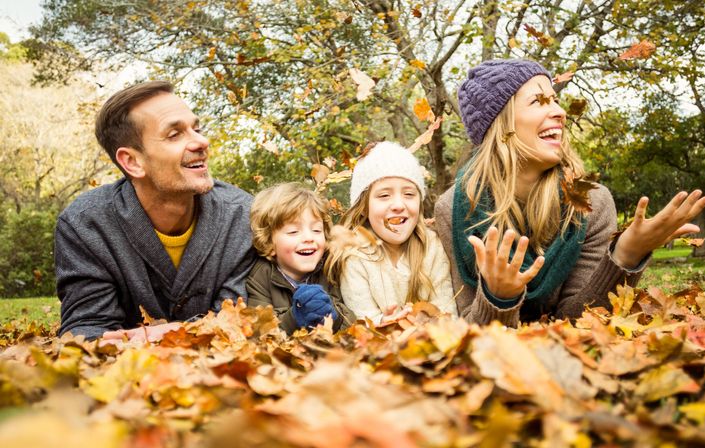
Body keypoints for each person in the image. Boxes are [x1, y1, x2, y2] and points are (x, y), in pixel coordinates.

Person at [435, 59, 705, 326]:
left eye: (554, 99)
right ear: (500, 127)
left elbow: (580, 321)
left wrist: (627, 254)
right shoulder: (454, 211)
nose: (559, 111)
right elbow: (467, 332)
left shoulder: (591, 202)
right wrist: (498, 299)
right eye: (538, 101)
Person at [55, 81, 256, 340]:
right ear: (132, 162)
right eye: (175, 135)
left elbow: (240, 322)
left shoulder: (243, 215)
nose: (202, 142)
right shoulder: (84, 225)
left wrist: (150, 336)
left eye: (197, 129)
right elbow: (86, 333)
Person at [325, 142, 456, 324]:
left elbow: (447, 316)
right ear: (364, 207)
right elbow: (362, 323)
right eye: (384, 196)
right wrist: (383, 324)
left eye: (409, 194)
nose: (398, 205)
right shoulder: (354, 256)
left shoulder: (433, 247)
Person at [245, 182, 356, 333]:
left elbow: (353, 320)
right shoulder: (260, 277)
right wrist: (294, 318)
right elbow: (259, 332)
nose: (309, 238)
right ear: (270, 243)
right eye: (293, 232)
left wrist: (332, 315)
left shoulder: (330, 268)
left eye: (316, 230)